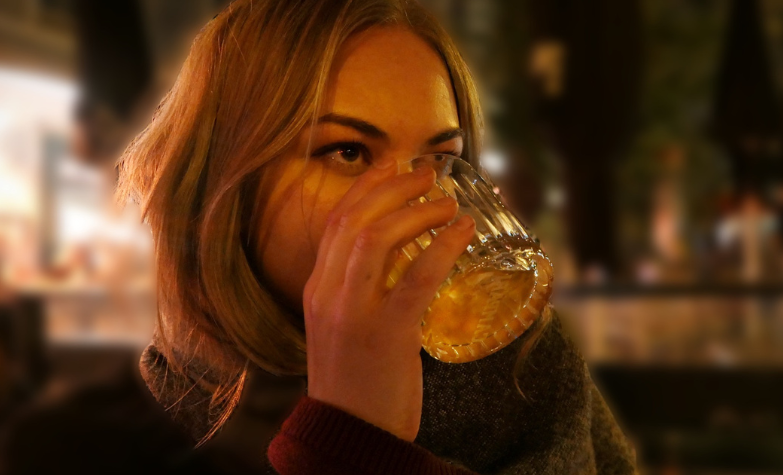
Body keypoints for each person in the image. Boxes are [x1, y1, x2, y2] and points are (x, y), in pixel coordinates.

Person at [20, 0, 634, 473]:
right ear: (222, 184)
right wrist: (354, 436)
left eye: (439, 160)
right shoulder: (85, 448)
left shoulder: (527, 370)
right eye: (347, 151)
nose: (418, 200)